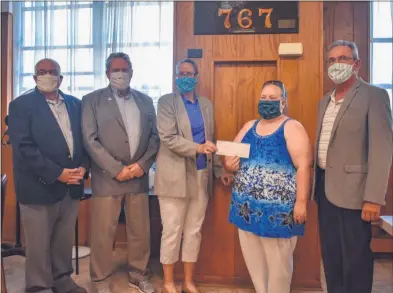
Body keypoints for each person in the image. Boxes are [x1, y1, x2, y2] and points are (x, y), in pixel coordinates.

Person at [313, 40, 393, 293]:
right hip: (324, 189)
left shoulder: (374, 96)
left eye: (344, 58)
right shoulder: (324, 102)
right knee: (331, 257)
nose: (337, 64)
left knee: (356, 260)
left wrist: (373, 198)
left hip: (356, 194)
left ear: (356, 64)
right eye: (332, 60)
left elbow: (382, 149)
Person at [8, 58, 89, 293]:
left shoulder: (75, 104)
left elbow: (83, 142)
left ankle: (62, 280)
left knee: (63, 241)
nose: (47, 75)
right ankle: (39, 286)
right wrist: (58, 173)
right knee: (39, 243)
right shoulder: (20, 106)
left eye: (52, 72)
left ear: (61, 78)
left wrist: (83, 167)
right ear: (34, 78)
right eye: (42, 72)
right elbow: (24, 148)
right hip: (38, 186)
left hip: (71, 185)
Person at [223, 80, 312, 293]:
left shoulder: (292, 127)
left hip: (279, 212)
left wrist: (301, 202)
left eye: (273, 98)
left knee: (279, 265)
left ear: (283, 102)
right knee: (254, 261)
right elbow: (230, 157)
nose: (267, 101)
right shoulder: (249, 126)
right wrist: (228, 164)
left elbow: (304, 166)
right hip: (246, 209)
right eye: (264, 97)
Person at [81, 52, 159, 293]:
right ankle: (100, 279)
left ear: (132, 72)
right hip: (107, 177)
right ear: (107, 74)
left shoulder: (146, 101)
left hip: (137, 176)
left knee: (140, 231)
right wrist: (117, 169)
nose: (120, 74)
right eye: (115, 70)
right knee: (104, 232)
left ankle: (138, 274)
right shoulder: (91, 100)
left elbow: (154, 138)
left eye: (124, 70)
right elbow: (90, 139)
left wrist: (142, 165)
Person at [154, 58, 234, 293]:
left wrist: (220, 171)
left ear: (197, 76)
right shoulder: (167, 102)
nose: (184, 77)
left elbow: (212, 140)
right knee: (171, 230)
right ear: (176, 77)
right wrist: (196, 148)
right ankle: (169, 282)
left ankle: (188, 281)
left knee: (193, 231)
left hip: (201, 175)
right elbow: (167, 138)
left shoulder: (206, 104)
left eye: (189, 73)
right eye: (180, 73)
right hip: (173, 176)